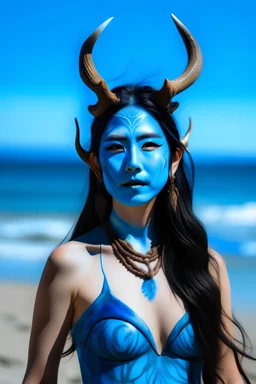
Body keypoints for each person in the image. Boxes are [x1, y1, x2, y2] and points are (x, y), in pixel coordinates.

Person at [22, 14, 255, 384]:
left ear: (174, 159)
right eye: (116, 146)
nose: (133, 162)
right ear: (96, 163)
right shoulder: (72, 264)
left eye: (149, 145)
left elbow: (227, 375)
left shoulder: (206, 266)